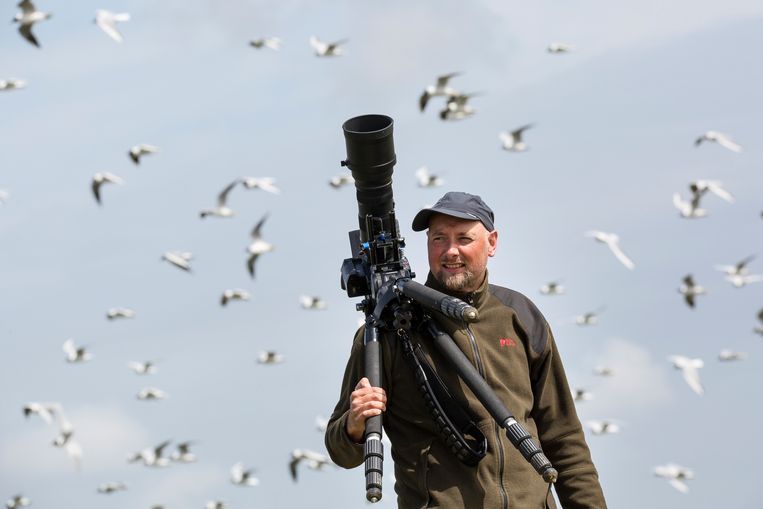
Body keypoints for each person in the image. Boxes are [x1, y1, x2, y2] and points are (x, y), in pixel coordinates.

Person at [325, 191, 607, 508]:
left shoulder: (519, 315)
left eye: (464, 238)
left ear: (492, 242)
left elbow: (564, 436)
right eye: (439, 239)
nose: (450, 251)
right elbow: (340, 451)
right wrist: (354, 424)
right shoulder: (387, 330)